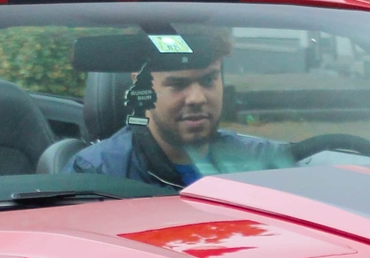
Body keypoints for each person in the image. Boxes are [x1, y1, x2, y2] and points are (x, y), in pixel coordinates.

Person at [68, 33, 292, 186]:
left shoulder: (264, 164)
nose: (197, 98)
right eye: (178, 84)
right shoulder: (97, 176)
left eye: (209, 80)